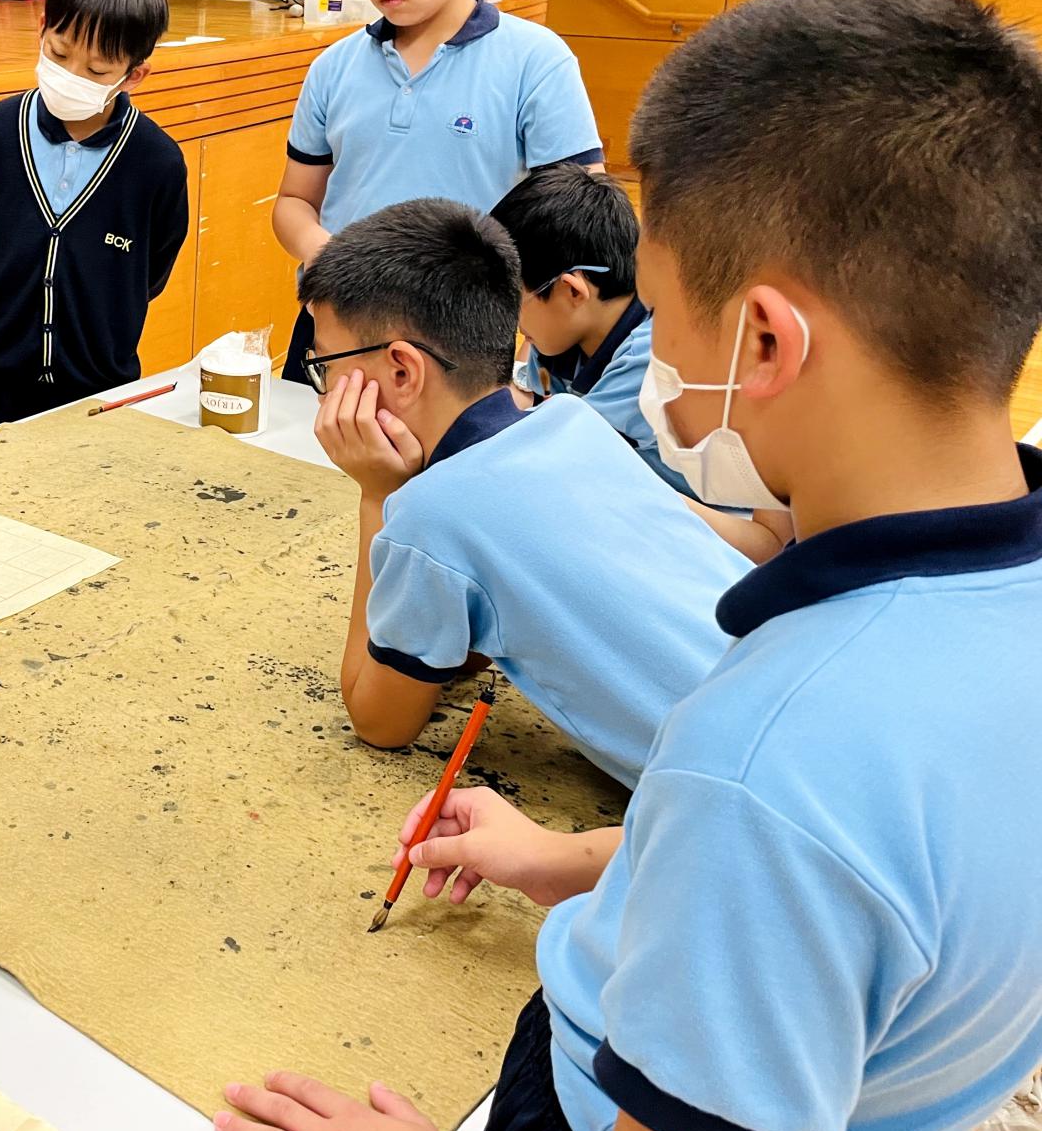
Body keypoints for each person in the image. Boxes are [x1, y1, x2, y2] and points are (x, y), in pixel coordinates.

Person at [219, 0, 1042, 1131]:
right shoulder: (964, 624)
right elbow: (842, 916)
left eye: (657, 313)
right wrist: (579, 858)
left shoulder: (761, 770)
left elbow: (764, 839)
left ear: (763, 340)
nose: (653, 369)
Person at [298, 198, 746, 788]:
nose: (326, 386)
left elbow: (379, 720)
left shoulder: (430, 517)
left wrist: (377, 498)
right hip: (801, 688)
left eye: (327, 365)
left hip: (745, 787)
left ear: (402, 371)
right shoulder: (572, 420)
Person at [272, 0, 602, 381]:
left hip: (464, 349)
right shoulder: (333, 67)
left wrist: (534, 346)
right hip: (337, 329)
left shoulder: (536, 61)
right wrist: (325, 253)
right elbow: (294, 201)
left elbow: (578, 229)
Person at [491, 163, 795, 562]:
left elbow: (552, 457)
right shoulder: (558, 338)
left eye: (512, 300)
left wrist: (634, 490)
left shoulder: (646, 365)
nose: (509, 321)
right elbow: (530, 394)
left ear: (572, 291)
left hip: (733, 543)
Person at [0, 0, 190, 435]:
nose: (72, 75)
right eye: (59, 54)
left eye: (97, 71)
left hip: (98, 393)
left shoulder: (157, 163)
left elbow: (151, 272)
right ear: (42, 29)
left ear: (134, 75)